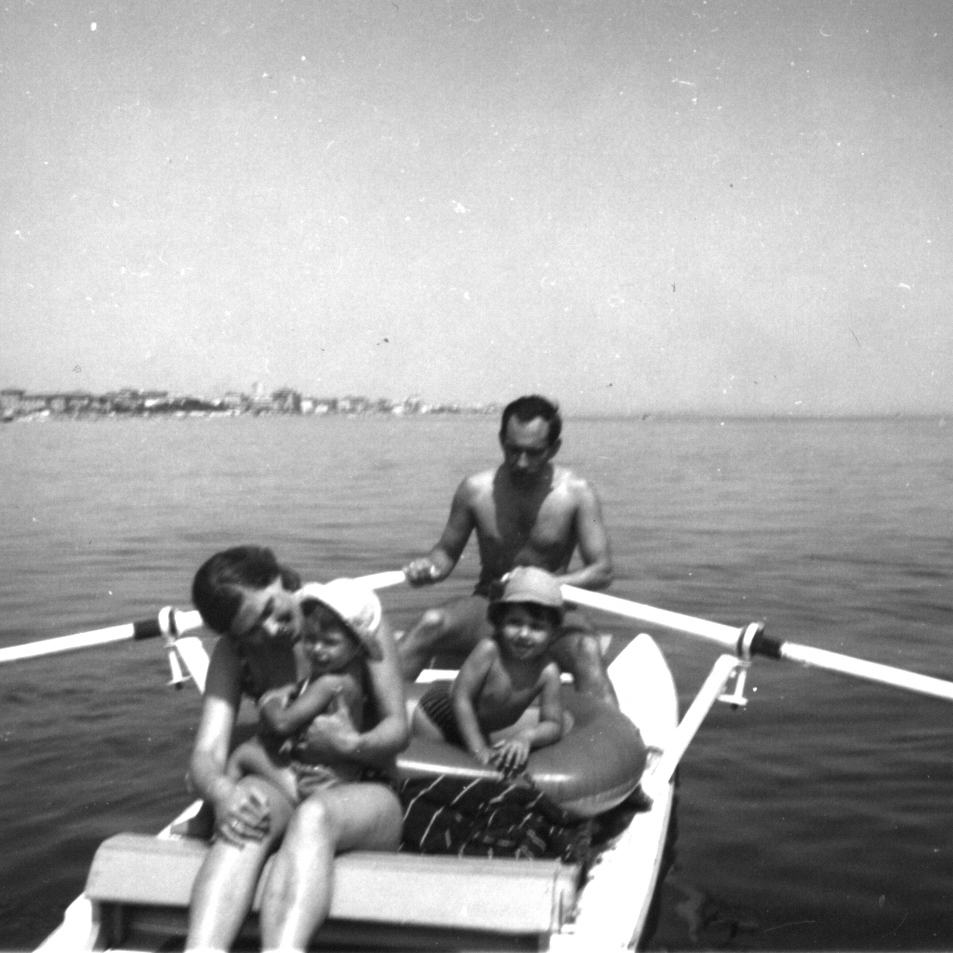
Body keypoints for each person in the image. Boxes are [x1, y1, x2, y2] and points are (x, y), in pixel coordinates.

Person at [185, 546, 409, 953]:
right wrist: (223, 794)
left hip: (364, 790)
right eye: (251, 629)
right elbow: (207, 754)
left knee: (314, 816)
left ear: (277, 578)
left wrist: (351, 743)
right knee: (245, 814)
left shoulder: (349, 617)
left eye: (273, 609)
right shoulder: (234, 654)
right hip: (286, 784)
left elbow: (398, 729)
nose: (271, 630)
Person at [399, 394, 617, 705]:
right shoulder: (475, 490)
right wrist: (427, 568)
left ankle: (611, 740)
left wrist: (541, 585)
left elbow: (603, 570)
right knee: (431, 622)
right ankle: (371, 719)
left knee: (587, 649)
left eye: (534, 452)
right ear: (502, 440)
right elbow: (445, 555)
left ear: (554, 448)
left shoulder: (578, 494)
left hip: (550, 614)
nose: (522, 462)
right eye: (513, 450)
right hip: (490, 605)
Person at [224, 578, 385, 807]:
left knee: (242, 754)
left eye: (330, 642)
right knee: (264, 745)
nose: (317, 649)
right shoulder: (348, 676)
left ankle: (204, 820)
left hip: (316, 784)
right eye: (310, 639)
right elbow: (309, 704)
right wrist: (292, 691)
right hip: (341, 775)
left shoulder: (330, 682)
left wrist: (267, 698)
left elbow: (282, 723)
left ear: (356, 646)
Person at [412, 567, 565, 775]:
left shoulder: (548, 672)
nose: (523, 634)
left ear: (553, 635)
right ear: (500, 624)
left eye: (536, 627)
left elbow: (553, 723)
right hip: (436, 716)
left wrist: (526, 737)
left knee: (489, 769)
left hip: (475, 725)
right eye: (515, 622)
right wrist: (478, 749)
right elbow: (460, 697)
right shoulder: (490, 650)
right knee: (436, 773)